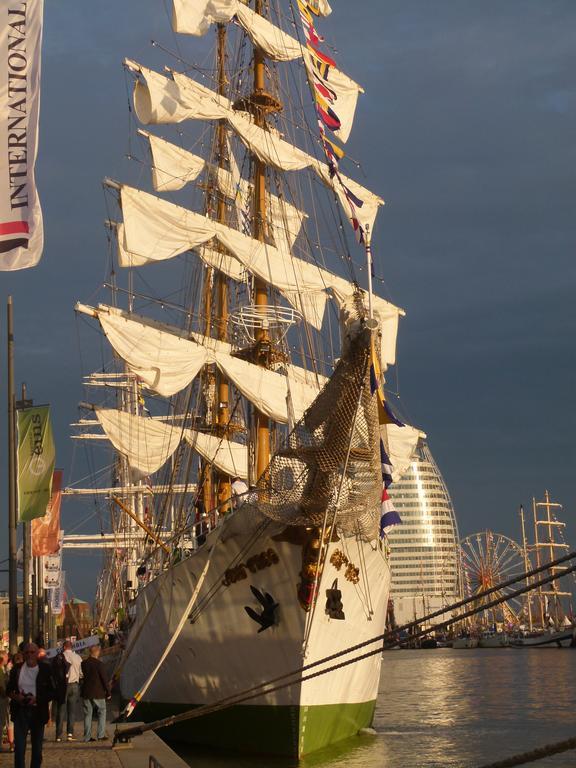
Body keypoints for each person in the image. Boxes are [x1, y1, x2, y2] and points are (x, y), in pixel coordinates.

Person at [6, 642, 55, 768]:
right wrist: (18, 697)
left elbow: (52, 692)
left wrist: (36, 699)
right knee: (19, 748)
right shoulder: (17, 669)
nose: (29, 655)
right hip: (20, 711)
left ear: (37, 654)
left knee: (37, 749)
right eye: (26, 652)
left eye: (32, 652)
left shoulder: (45, 669)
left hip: (37, 711)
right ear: (23, 653)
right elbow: (9, 690)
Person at [81, 644, 110, 742]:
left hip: (86, 692)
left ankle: (87, 736)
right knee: (102, 711)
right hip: (98, 692)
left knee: (87, 714)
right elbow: (104, 679)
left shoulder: (84, 663)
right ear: (97, 652)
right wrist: (108, 692)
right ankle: (100, 735)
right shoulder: (100, 664)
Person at [59, 641, 82, 741]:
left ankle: (58, 735)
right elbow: (81, 673)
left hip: (63, 685)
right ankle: (70, 734)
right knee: (72, 711)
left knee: (61, 710)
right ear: (71, 647)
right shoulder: (77, 657)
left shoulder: (60, 657)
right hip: (74, 685)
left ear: (64, 647)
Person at [50, 647, 70, 742]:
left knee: (58, 711)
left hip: (55, 689)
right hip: (63, 687)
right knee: (65, 711)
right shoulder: (66, 662)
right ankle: (67, 733)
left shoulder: (53, 662)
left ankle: (58, 734)